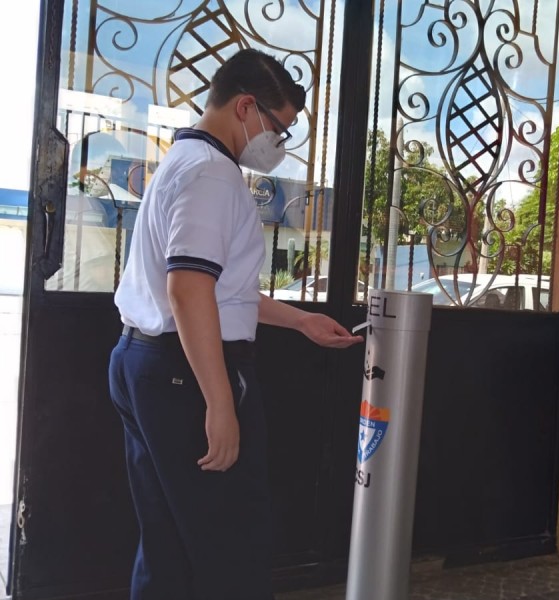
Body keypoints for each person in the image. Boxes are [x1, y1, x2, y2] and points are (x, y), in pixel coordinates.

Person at [108, 48, 362, 600]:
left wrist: (300, 321)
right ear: (246, 107)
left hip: (147, 363)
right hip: (185, 376)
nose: (280, 145)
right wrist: (219, 404)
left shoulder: (182, 162)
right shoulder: (212, 175)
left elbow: (218, 288)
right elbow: (188, 288)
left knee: (169, 542)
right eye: (281, 129)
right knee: (231, 546)